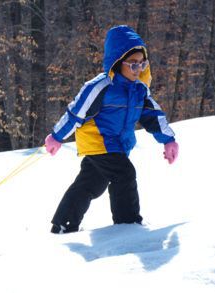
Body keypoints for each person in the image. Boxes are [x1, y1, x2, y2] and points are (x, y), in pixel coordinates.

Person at [44, 25, 179, 234]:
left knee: (91, 184)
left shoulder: (139, 90)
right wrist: (57, 137)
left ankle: (63, 224)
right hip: (98, 140)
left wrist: (168, 140)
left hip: (117, 144)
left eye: (142, 64)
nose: (138, 70)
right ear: (118, 62)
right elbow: (75, 112)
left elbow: (154, 116)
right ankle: (128, 225)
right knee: (124, 174)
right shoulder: (101, 86)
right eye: (133, 64)